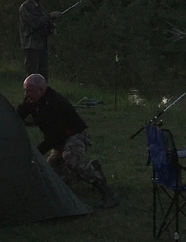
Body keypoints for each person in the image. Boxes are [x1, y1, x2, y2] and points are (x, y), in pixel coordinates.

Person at [16, 73, 119, 208]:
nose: (27, 93)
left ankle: (108, 192)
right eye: (26, 90)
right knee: (54, 179)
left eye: (30, 90)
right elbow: (19, 115)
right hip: (59, 140)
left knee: (71, 158)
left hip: (75, 135)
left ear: (41, 89)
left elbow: (54, 136)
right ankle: (92, 169)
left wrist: (36, 153)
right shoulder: (31, 100)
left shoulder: (55, 102)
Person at [18, 0, 58, 79]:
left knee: (43, 76)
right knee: (32, 76)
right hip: (31, 46)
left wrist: (52, 27)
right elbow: (35, 23)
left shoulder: (40, 8)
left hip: (43, 46)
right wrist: (50, 15)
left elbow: (44, 23)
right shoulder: (25, 7)